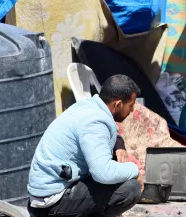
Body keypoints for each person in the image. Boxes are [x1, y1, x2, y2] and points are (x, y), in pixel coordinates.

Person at [27, 75, 144, 217]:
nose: (131, 111)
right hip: (51, 203)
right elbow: (103, 173)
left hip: (47, 193)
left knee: (116, 168)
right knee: (130, 188)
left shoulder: (89, 107)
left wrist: (118, 143)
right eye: (130, 106)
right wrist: (134, 170)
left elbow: (99, 141)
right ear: (118, 104)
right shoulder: (94, 122)